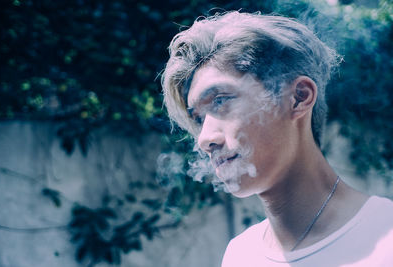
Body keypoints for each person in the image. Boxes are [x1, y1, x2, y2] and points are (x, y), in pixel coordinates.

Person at [161, 11, 393, 266]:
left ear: (298, 98)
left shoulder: (385, 237)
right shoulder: (240, 255)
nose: (204, 138)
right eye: (198, 119)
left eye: (220, 101)